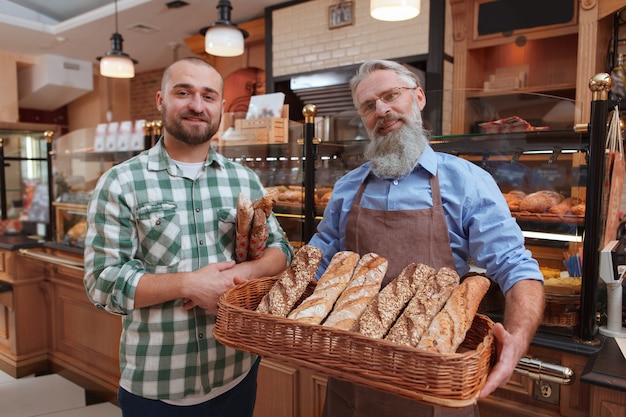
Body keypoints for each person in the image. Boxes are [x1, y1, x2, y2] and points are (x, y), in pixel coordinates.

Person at [308, 59, 545, 417]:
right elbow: (318, 263)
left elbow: (516, 267)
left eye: (391, 96)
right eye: (369, 106)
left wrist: (516, 339)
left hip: (436, 380)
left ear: (418, 98)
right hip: (352, 375)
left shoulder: (467, 182)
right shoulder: (346, 188)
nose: (382, 110)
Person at [83, 57, 294, 417]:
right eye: (184, 92)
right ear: (161, 100)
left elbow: (281, 249)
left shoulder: (244, 180)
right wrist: (189, 284)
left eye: (208, 96)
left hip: (237, 373)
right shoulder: (120, 182)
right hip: (158, 387)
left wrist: (239, 276)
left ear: (222, 109)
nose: (197, 105)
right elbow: (102, 282)